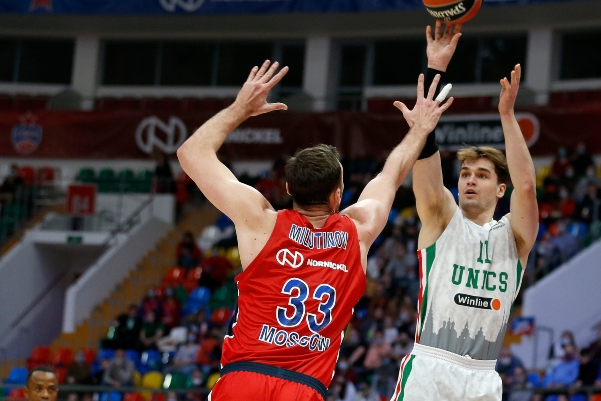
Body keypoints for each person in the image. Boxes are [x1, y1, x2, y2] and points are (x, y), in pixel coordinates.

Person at [178, 59, 453, 401]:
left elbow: (191, 152)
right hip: (303, 388)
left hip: (243, 380)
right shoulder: (359, 230)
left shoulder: (260, 222)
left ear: (289, 189)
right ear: (338, 194)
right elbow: (391, 175)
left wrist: (241, 108)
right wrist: (420, 129)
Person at [390, 22, 539, 400]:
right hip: (430, 368)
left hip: (483, 379)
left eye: (482, 175)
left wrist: (507, 115)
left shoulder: (515, 237)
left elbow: (526, 186)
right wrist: (435, 69)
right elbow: (426, 158)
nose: (470, 180)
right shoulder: (443, 217)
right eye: (466, 174)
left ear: (500, 189)